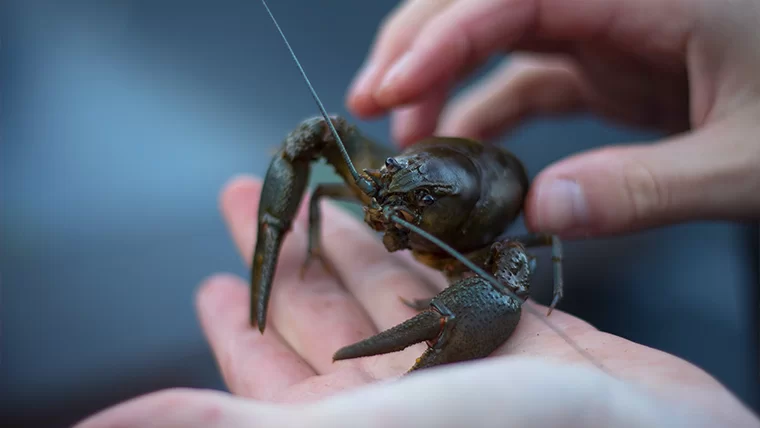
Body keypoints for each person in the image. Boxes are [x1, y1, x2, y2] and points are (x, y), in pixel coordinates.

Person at [76, 0, 760, 426]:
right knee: (322, 131)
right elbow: (319, 144)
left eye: (408, 200)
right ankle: (294, 245)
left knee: (511, 271)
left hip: (476, 221)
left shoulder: (491, 239)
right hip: (438, 167)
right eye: (388, 187)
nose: (380, 207)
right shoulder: (389, 179)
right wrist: (302, 228)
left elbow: (524, 258)